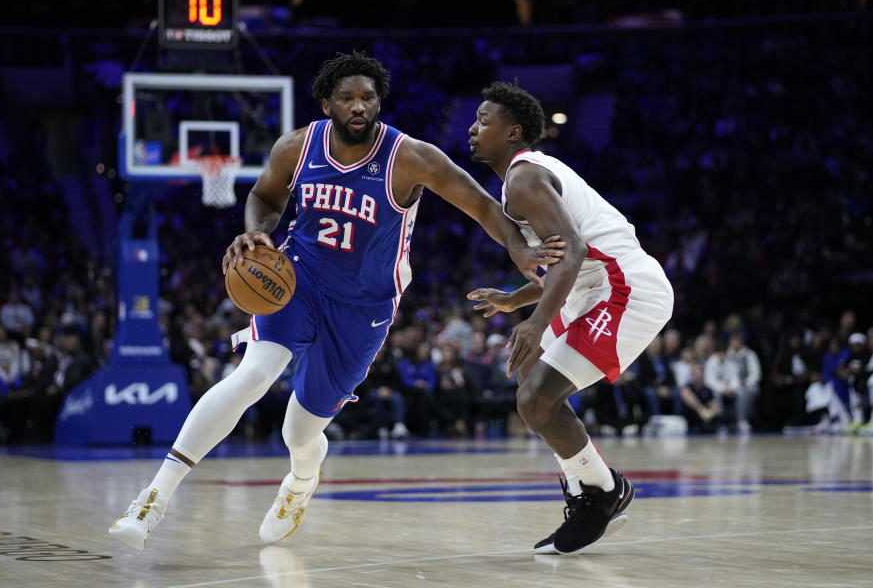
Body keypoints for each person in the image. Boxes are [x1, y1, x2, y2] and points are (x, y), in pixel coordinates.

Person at [108, 52, 564, 550]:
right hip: (297, 280)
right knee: (253, 374)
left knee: (298, 433)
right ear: (327, 103)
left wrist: (519, 247)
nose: (358, 106)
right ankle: (153, 498)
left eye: (367, 97)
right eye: (346, 98)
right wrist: (256, 235)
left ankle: (301, 482)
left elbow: (480, 203)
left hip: (365, 307)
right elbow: (264, 199)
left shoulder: (409, 157)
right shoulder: (297, 148)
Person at [465, 81, 674, 555]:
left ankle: (601, 494)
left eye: (484, 121)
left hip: (626, 289)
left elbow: (576, 252)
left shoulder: (523, 179)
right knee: (529, 391)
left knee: (538, 395)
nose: (473, 128)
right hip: (592, 287)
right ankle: (592, 490)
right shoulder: (521, 179)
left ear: (513, 131)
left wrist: (536, 320)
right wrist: (515, 300)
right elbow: (570, 258)